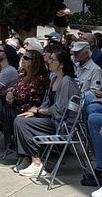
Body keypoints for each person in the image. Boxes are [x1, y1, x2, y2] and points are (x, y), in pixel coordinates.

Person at [11, 46, 82, 176]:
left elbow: (59, 110)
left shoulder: (67, 82)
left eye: (53, 60)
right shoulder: (54, 79)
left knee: (22, 123)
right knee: (21, 118)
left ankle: (36, 162)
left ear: (61, 65)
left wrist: (38, 111)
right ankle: (26, 158)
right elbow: (48, 102)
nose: (49, 61)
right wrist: (33, 112)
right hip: (53, 119)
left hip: (63, 124)